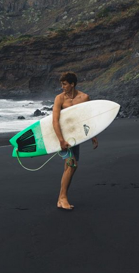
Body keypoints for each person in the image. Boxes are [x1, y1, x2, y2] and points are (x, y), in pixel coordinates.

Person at [52, 72, 98, 210]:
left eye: (65, 84)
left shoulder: (84, 97)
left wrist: (93, 136)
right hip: (61, 136)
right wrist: (60, 140)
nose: (62, 87)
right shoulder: (59, 99)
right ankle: (63, 198)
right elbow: (55, 120)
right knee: (72, 165)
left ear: (72, 84)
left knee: (69, 167)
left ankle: (61, 198)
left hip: (75, 137)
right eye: (62, 84)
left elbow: (87, 118)